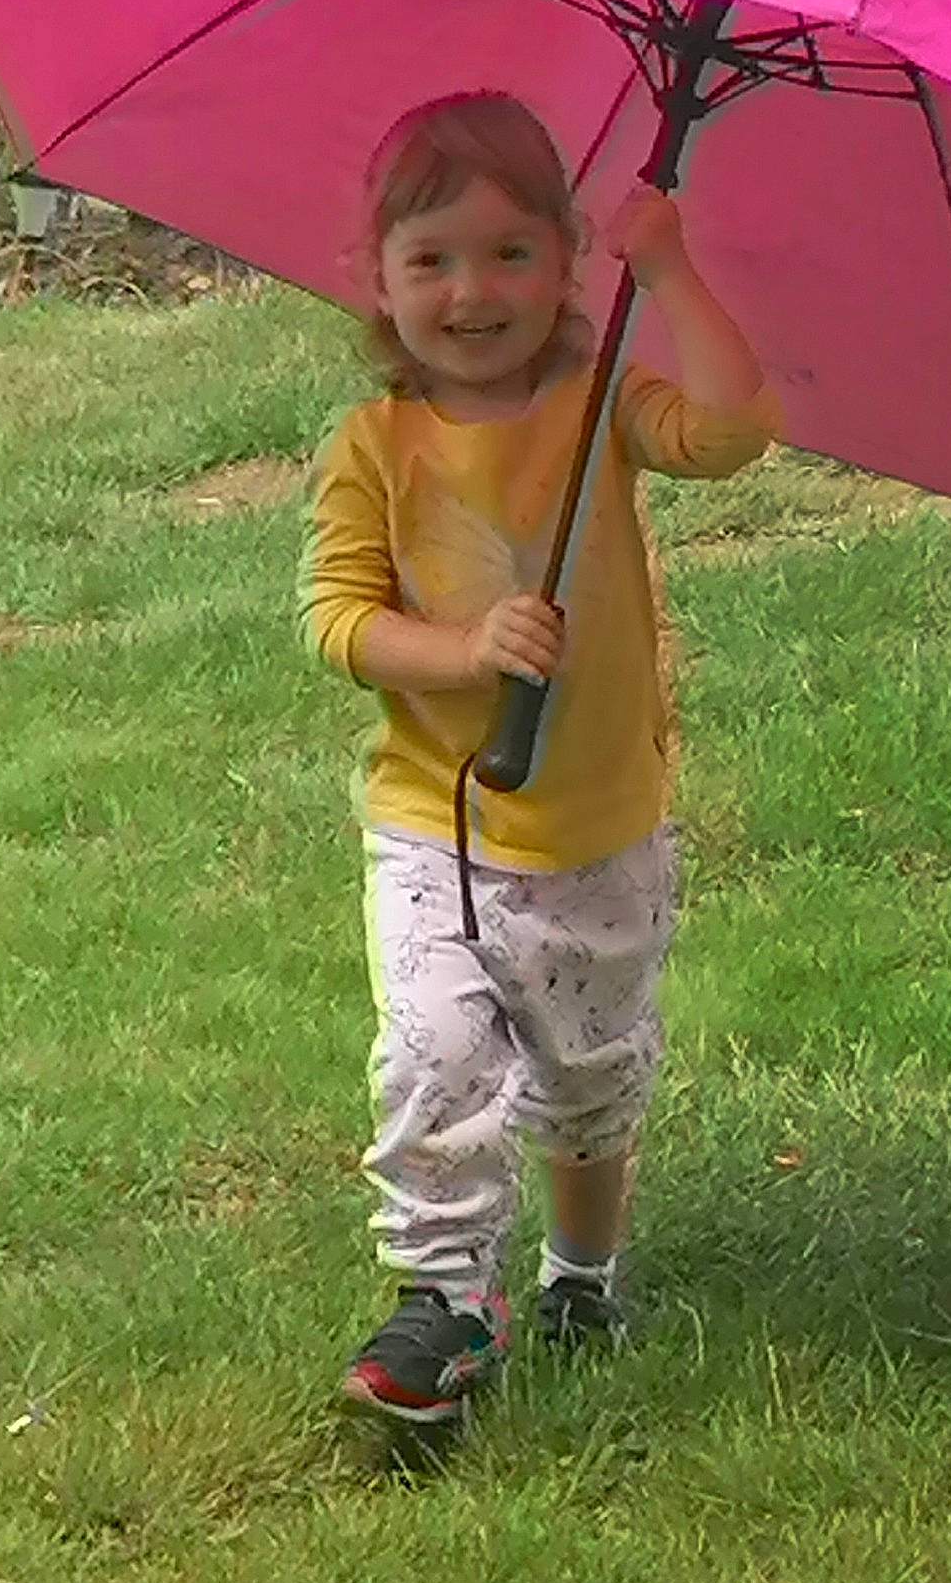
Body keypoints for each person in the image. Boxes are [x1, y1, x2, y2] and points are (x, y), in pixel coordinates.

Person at [299, 92, 775, 1427]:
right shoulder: (374, 447)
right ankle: (442, 1296)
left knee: (587, 1070)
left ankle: (584, 1268)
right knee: (436, 1047)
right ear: (378, 283)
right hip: (436, 821)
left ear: (572, 264)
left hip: (601, 819)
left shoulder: (603, 405)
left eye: (511, 253)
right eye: (433, 259)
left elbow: (735, 432)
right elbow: (338, 618)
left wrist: (672, 270)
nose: (473, 289)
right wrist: (465, 651)